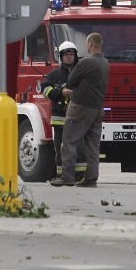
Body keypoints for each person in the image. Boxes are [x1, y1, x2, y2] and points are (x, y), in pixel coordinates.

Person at [50, 33, 108, 188]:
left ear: (89, 43)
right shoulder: (104, 62)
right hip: (97, 108)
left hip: (80, 108)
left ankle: (67, 178)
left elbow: (71, 80)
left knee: (68, 142)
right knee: (93, 147)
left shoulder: (86, 62)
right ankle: (91, 179)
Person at [40, 41, 86, 180]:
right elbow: (45, 90)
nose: (69, 57)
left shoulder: (81, 72)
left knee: (79, 147)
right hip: (60, 118)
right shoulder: (54, 75)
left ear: (75, 56)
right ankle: (61, 174)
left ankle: (80, 175)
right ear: (61, 56)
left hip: (78, 118)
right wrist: (60, 92)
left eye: (71, 54)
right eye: (66, 55)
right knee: (60, 148)